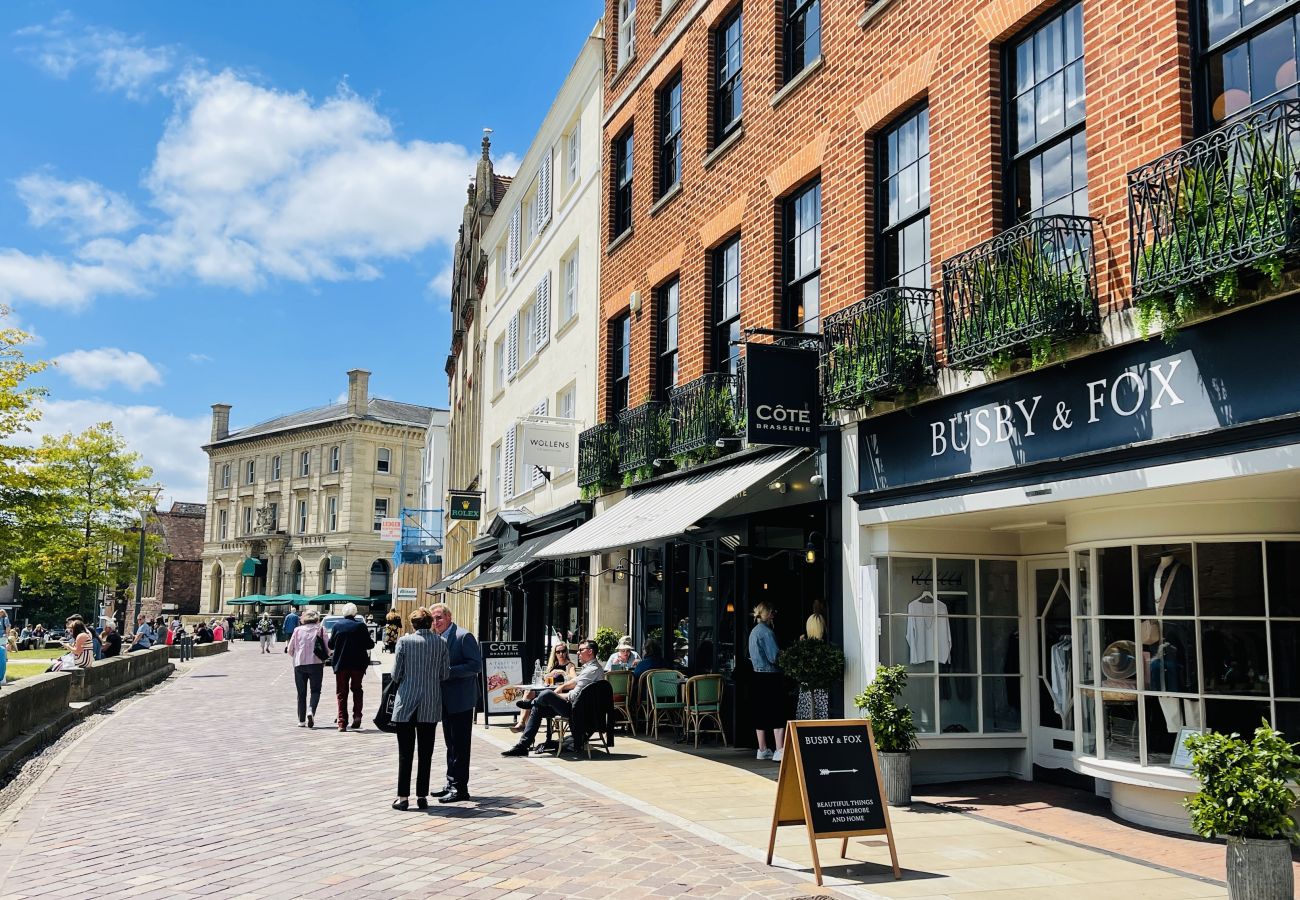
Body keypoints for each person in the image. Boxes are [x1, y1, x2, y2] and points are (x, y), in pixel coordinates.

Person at [501, 638, 605, 757]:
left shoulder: (592, 670)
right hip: (576, 706)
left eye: (580, 650)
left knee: (546, 694)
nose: (577, 652)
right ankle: (523, 746)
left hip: (577, 710)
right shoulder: (589, 668)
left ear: (590, 651)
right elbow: (575, 681)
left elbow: (573, 695)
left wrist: (554, 695)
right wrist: (560, 688)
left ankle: (531, 703)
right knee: (538, 708)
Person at [389, 607, 450, 810]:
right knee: (426, 752)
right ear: (430, 623)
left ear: (413, 624)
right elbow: (445, 674)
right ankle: (422, 795)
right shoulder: (441, 643)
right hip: (431, 702)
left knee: (405, 753)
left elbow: (396, 674)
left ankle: (403, 797)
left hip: (406, 701)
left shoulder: (404, 642)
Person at [430, 603, 480, 802]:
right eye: (433, 619)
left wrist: (448, 671)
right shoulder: (437, 637)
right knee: (450, 744)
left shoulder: (463, 636)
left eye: (439, 617)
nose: (436, 622)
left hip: (461, 699)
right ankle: (451, 783)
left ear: (449, 617)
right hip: (445, 700)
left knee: (460, 745)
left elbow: (475, 665)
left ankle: (460, 788)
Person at [328, 602, 374, 731]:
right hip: (358, 664)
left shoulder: (337, 626)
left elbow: (331, 645)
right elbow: (369, 645)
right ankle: (357, 716)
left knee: (342, 693)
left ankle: (342, 721)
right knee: (357, 689)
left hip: (341, 663)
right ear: (355, 613)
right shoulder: (360, 626)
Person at [749, 602, 785, 762]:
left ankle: (762, 749)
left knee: (761, 713)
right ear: (766, 614)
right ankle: (779, 749)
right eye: (772, 612)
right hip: (771, 676)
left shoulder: (754, 632)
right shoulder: (767, 633)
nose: (774, 614)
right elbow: (774, 657)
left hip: (757, 675)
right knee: (777, 711)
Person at [513, 643, 576, 733]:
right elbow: (544, 680)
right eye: (558, 652)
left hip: (559, 695)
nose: (561, 654)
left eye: (563, 651)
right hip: (548, 690)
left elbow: (574, 679)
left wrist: (562, 673)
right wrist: (548, 675)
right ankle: (523, 724)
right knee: (528, 692)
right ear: (555, 653)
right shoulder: (553, 665)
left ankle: (523, 726)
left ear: (566, 652)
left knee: (529, 698)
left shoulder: (569, 665)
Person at [286, 609, 329, 728]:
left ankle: (301, 720)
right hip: (316, 664)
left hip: (299, 664)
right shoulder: (321, 629)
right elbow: (328, 648)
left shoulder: (297, 630)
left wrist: (297, 654)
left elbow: (290, 649)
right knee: (315, 690)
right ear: (317, 618)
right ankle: (311, 710)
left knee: (301, 693)